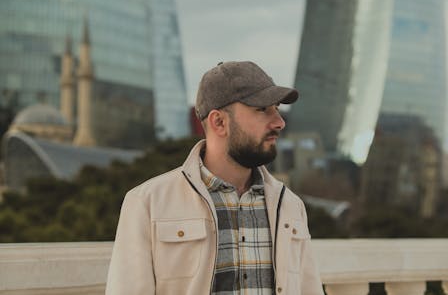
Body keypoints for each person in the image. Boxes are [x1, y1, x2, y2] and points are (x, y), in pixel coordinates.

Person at [105, 61, 324, 295]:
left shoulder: (291, 206)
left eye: (277, 108)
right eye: (262, 109)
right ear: (219, 122)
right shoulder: (147, 203)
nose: (279, 122)